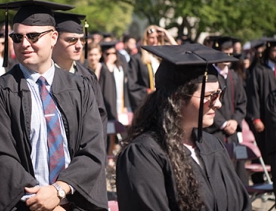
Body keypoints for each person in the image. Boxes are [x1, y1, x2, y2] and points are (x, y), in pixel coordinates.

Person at [0, 0, 108, 211]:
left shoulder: (80, 87)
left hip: (76, 202)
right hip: (27, 205)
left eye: (33, 36)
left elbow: (93, 148)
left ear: (53, 37)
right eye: (17, 37)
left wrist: (60, 189)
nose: (24, 43)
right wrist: (44, 202)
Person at [116, 43, 251, 211]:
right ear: (177, 99)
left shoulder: (212, 145)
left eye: (219, 94)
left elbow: (242, 204)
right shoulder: (144, 154)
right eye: (210, 96)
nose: (218, 103)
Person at [52, 11, 108, 151]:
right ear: (54, 39)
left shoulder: (88, 77)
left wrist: (98, 158)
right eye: (71, 40)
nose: (79, 46)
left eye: (81, 40)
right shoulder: (41, 78)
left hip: (86, 158)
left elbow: (100, 120)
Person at [204, 36, 248, 185]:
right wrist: (223, 124)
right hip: (215, 132)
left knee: (237, 173)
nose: (228, 56)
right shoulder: (210, 76)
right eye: (225, 52)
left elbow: (242, 102)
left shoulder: (234, 76)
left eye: (230, 53)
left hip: (233, 133)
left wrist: (235, 121)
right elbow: (207, 103)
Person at [246, 38, 276, 183]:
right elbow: (253, 96)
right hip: (265, 120)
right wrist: (256, 118)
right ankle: (260, 180)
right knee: (265, 150)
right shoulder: (259, 71)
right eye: (274, 51)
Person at [128, 25, 177, 111]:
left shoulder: (163, 57)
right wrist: (148, 92)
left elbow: (179, 54)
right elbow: (132, 85)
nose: (155, 41)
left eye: (157, 37)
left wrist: (167, 35)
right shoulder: (137, 59)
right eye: (151, 37)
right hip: (147, 103)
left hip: (163, 102)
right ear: (146, 39)